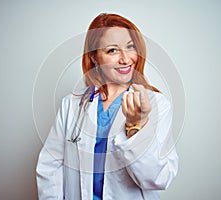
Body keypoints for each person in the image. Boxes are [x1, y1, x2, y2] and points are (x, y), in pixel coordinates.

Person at [36, 13, 178, 200]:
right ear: (94, 58)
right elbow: (50, 168)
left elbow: (157, 179)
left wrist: (135, 128)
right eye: (112, 50)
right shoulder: (72, 105)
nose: (125, 59)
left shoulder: (157, 105)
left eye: (130, 47)